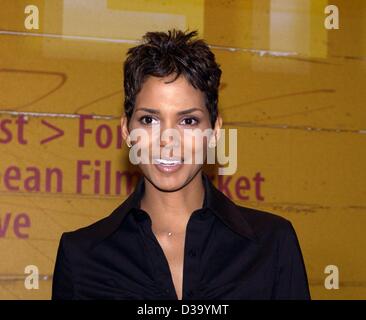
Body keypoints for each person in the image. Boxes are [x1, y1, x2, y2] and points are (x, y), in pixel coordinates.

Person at [52, 29, 310, 300]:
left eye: (188, 121)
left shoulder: (272, 243)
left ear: (215, 130)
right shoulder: (81, 255)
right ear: (127, 130)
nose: (168, 140)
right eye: (149, 120)